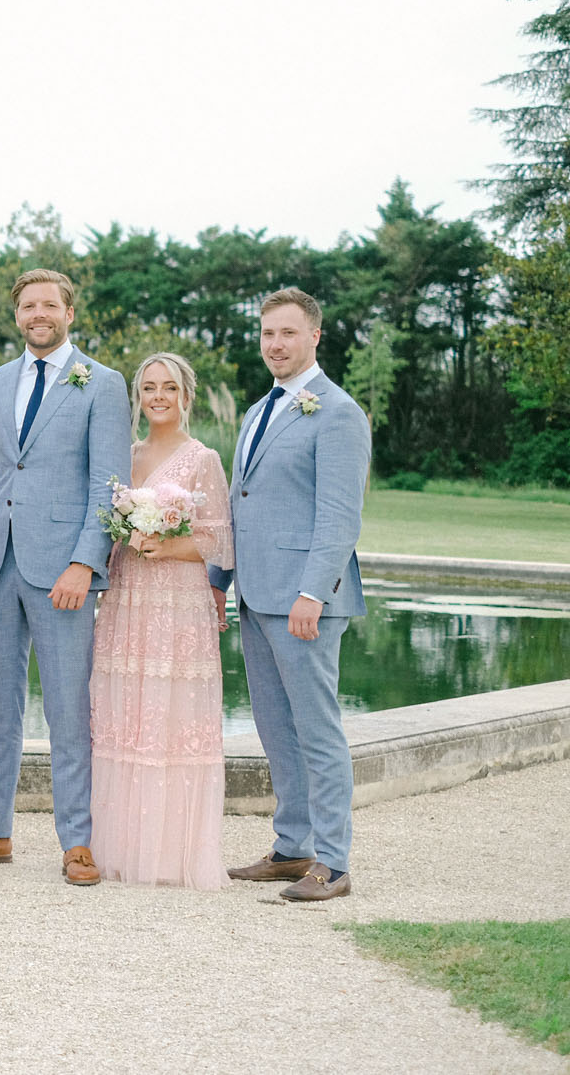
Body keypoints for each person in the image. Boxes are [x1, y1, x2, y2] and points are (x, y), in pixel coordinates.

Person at [0, 268, 129, 885]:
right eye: (28, 306)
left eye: (50, 305)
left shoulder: (102, 384)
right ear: (16, 314)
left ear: (69, 313)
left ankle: (77, 842)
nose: (38, 315)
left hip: (62, 571)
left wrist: (84, 561)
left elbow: (109, 482)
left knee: (70, 709)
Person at [211, 289, 371, 902]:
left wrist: (313, 592)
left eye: (287, 333)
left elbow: (339, 517)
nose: (274, 344)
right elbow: (237, 507)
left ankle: (332, 861)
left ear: (314, 338)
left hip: (305, 602)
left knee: (317, 729)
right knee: (277, 730)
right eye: (267, 333)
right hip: (256, 596)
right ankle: (292, 846)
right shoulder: (257, 412)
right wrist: (219, 584)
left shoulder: (337, 412)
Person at [88, 353, 232, 889]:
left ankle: (172, 854)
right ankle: (121, 846)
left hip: (177, 604)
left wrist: (163, 546)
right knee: (126, 711)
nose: (158, 397)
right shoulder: (123, 458)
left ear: (186, 395)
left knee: (171, 717)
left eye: (168, 387)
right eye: (148, 388)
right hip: (128, 599)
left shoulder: (203, 459)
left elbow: (219, 539)